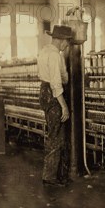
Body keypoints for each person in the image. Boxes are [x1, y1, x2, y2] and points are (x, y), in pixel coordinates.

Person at [37, 25, 73, 187]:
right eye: (67, 41)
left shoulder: (44, 51)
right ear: (61, 40)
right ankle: (50, 177)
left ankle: (58, 175)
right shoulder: (54, 55)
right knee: (57, 136)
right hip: (53, 95)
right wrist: (64, 106)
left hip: (45, 92)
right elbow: (57, 84)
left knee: (56, 133)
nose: (67, 45)